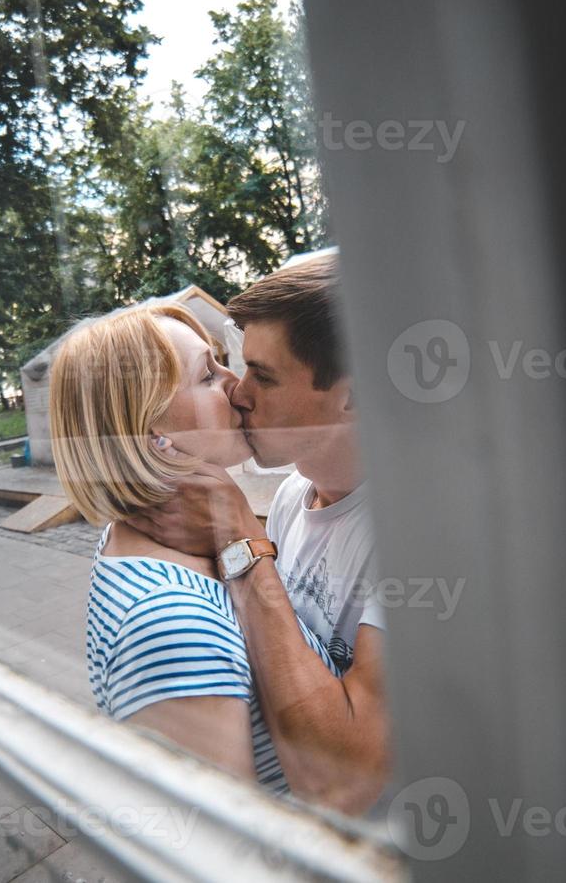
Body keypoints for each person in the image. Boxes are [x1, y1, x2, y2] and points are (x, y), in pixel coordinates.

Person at [126, 255, 391, 816]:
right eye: (235, 368)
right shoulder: (297, 494)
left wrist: (241, 537)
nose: (237, 393)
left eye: (263, 376)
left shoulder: (414, 531)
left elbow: (338, 786)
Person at [49, 303, 339, 792]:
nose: (239, 386)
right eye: (208, 374)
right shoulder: (168, 622)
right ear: (155, 435)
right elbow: (227, 850)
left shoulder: (154, 540)